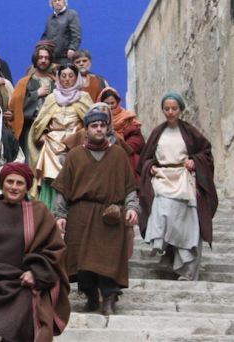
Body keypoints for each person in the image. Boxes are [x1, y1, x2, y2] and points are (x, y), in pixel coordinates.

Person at [0, 163, 70, 341]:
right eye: (10, 182)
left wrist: (35, 273)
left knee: (17, 327)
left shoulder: (40, 213)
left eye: (19, 183)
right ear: (2, 183)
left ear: (27, 186)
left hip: (21, 284)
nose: (14, 187)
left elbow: (55, 250)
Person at [52, 110, 139, 315]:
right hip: (80, 214)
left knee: (108, 257)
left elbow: (129, 187)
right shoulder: (74, 155)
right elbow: (63, 189)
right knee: (82, 260)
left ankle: (109, 297)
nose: (99, 129)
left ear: (107, 127)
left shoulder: (118, 154)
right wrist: (60, 215)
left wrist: (133, 208)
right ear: (87, 129)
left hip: (109, 215)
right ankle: (90, 294)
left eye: (102, 125)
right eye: (94, 125)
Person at [137, 92, 218, 281]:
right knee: (162, 211)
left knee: (187, 225)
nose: (170, 112)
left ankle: (187, 270)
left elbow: (206, 152)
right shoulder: (158, 132)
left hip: (184, 180)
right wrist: (152, 168)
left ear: (181, 110)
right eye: (167, 109)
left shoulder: (190, 132)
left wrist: (194, 162)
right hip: (163, 179)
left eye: (174, 108)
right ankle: (166, 249)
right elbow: (145, 159)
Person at [28, 63, 92, 208]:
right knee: (51, 179)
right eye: (63, 76)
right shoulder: (51, 98)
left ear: (77, 78)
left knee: (74, 177)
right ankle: (50, 211)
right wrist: (42, 135)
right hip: (51, 144)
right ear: (58, 78)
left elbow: (91, 122)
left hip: (76, 143)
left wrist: (81, 136)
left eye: (71, 76)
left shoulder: (84, 97)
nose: (67, 79)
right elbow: (40, 122)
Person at [9, 40, 57, 156]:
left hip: (51, 129)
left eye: (46, 58)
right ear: (35, 59)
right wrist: (36, 94)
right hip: (29, 128)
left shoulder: (56, 82)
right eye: (40, 57)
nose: (43, 60)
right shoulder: (24, 83)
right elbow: (17, 107)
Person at [99, 87, 145, 177]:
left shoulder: (127, 118)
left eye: (112, 103)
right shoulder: (97, 120)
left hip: (124, 152)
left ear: (118, 103)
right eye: (106, 104)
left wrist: (122, 148)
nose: (110, 106)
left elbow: (137, 139)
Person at [41, 0, 81, 65]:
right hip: (51, 57)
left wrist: (72, 48)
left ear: (64, 1)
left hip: (65, 57)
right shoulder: (49, 18)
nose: (57, 2)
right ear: (51, 4)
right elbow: (45, 36)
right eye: (54, 1)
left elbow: (76, 35)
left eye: (59, 0)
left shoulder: (72, 14)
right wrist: (42, 49)